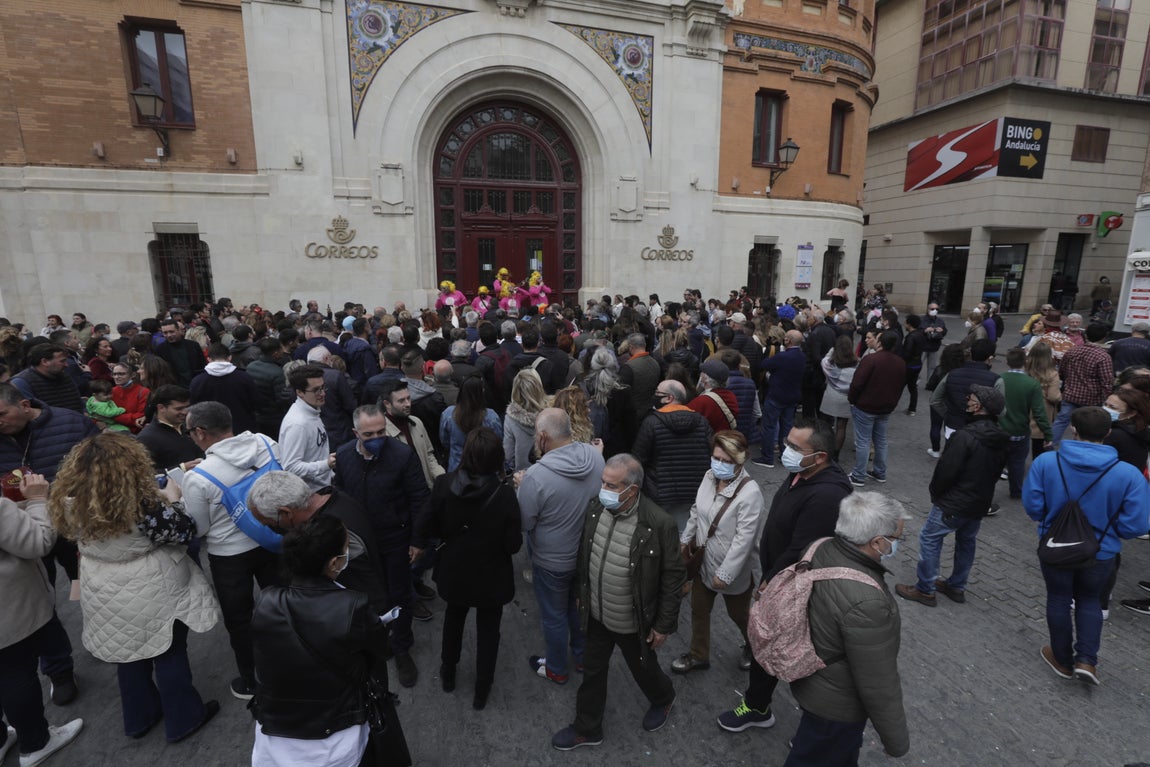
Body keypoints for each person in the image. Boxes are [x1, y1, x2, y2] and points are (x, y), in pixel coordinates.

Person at [48, 433, 220, 743]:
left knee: (128, 656)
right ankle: (184, 718)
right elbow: (184, 532)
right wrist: (173, 499)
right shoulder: (142, 505)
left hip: (102, 585)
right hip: (151, 583)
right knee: (168, 650)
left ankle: (140, 717)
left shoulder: (69, 501)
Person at [716, 417, 851, 733]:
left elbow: (802, 549)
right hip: (779, 576)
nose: (785, 450)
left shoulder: (828, 494)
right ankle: (758, 706)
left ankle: (814, 732)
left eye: (793, 446)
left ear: (820, 457)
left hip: (792, 586)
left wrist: (769, 582)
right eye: (787, 442)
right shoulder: (802, 473)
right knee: (767, 646)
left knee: (798, 656)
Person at [550, 454, 684, 751]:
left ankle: (663, 698)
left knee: (642, 668)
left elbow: (673, 577)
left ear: (632, 490)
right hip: (596, 614)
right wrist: (582, 596)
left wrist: (663, 625)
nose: (603, 489)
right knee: (593, 671)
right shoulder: (596, 508)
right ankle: (587, 728)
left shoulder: (658, 524)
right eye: (603, 482)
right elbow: (586, 555)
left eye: (611, 485)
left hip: (631, 621)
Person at [250, 515, 399, 767]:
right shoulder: (353, 605)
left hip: (277, 736)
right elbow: (381, 651)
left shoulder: (266, 600)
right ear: (333, 563)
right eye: (346, 548)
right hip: (337, 734)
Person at [1024, 407, 1150, 684]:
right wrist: (1111, 532)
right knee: (1090, 601)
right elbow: (1138, 525)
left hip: (1055, 546)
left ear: (1073, 430)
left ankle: (1061, 658)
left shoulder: (1047, 463)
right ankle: (1087, 661)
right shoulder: (1128, 474)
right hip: (1101, 552)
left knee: (1058, 599)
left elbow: (1033, 507)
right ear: (1107, 433)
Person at [783, 491, 910, 765]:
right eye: (896, 538)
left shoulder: (821, 547)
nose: (896, 544)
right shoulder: (868, 602)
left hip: (812, 679)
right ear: (877, 542)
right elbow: (878, 682)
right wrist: (895, 741)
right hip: (836, 705)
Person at [181, 401, 284, 701]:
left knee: (240, 619)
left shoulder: (199, 477)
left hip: (229, 556)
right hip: (274, 538)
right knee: (281, 601)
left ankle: (253, 679)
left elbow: (198, 528)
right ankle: (295, 654)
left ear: (200, 432)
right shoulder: (266, 442)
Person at [413, 428, 521, 710]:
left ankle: (448, 673)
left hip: (454, 569)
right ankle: (482, 689)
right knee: (488, 631)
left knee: (453, 619)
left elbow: (426, 524)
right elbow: (513, 545)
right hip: (491, 575)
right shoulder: (505, 495)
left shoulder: (444, 484)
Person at [333, 405, 430, 688]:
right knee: (362, 596)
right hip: (359, 543)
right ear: (355, 433)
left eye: (380, 432)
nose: (376, 438)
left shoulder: (401, 455)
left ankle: (401, 648)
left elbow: (419, 499)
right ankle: (374, 641)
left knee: (399, 594)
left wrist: (418, 540)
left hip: (395, 539)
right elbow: (339, 492)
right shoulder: (345, 456)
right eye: (368, 434)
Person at [896, 385, 1008, 607]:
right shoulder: (1001, 437)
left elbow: (946, 471)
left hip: (954, 502)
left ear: (979, 407)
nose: (967, 401)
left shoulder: (964, 437)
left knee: (930, 538)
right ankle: (957, 585)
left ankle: (925, 589)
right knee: (966, 541)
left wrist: (937, 494)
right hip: (979, 501)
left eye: (971, 399)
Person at [0, 472, 84, 767]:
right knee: (15, 674)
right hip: (9, 609)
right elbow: (38, 542)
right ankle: (36, 742)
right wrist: (37, 499)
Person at [517, 408, 605, 685]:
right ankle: (581, 657)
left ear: (543, 437)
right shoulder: (595, 456)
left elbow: (525, 521)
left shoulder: (536, 475)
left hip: (551, 560)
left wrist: (521, 487)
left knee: (554, 615)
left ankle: (556, 668)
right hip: (587, 553)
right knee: (578, 608)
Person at [674, 431, 765, 675]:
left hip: (733, 571)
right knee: (699, 611)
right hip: (704, 563)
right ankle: (698, 655)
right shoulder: (708, 477)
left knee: (739, 615)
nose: (719, 465)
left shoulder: (750, 493)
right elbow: (697, 511)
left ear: (741, 460)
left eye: (726, 461)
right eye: (716, 458)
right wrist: (684, 542)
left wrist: (725, 573)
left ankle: (754, 647)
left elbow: (744, 540)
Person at [631, 380, 714, 528]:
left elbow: (638, 459)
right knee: (684, 533)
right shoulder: (702, 422)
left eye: (658, 393)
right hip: (693, 492)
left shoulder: (651, 423)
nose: (654, 396)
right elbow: (710, 454)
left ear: (669, 398)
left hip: (659, 493)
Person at [846, 331, 904, 487]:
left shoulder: (871, 360)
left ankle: (859, 475)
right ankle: (880, 472)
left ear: (880, 343)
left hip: (865, 406)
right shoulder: (900, 362)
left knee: (863, 441)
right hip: (886, 407)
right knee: (881, 440)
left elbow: (857, 383)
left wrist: (852, 399)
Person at [999, 348, 1051, 499]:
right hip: (1019, 431)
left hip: (999, 430)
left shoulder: (999, 379)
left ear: (1007, 362)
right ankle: (1016, 491)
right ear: (1025, 362)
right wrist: (1047, 434)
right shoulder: (1032, 384)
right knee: (1017, 463)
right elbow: (1039, 413)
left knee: (995, 461)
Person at [1051, 324, 1114, 444]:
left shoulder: (1072, 351)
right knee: (1088, 426)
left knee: (1061, 420)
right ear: (1104, 338)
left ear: (1086, 335)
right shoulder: (1103, 356)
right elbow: (1106, 382)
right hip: (1092, 399)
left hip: (1070, 394)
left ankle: (1050, 443)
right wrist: (1107, 399)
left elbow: (1062, 372)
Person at [278, 365, 336, 491]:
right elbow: (291, 467)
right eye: (316, 390)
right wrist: (326, 465)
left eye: (323, 387)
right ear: (299, 392)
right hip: (312, 494)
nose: (322, 393)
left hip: (324, 485)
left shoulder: (312, 411)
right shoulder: (298, 424)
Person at [755, 330, 805, 467]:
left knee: (769, 426)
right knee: (787, 426)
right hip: (792, 396)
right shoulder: (802, 356)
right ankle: (785, 455)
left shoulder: (783, 357)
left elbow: (764, 364)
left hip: (777, 395)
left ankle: (767, 457)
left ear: (788, 340)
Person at [439, 376, 502, 472]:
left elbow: (445, 441)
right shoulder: (491, 417)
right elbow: (497, 442)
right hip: (484, 469)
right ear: (481, 393)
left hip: (457, 468)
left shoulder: (448, 414)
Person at [503, 368, 549, 472]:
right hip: (550, 471)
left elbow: (508, 453)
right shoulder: (552, 412)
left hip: (524, 474)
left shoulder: (510, 418)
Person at [819, 335, 857, 461]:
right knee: (841, 426)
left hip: (831, 394)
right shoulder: (857, 363)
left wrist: (831, 350)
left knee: (825, 424)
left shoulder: (830, 364)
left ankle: (825, 448)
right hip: (847, 397)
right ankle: (835, 454)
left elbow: (824, 359)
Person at [1025, 342, 1061, 461]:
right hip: (1043, 410)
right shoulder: (1052, 374)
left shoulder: (1026, 370)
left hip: (1025, 407)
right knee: (1039, 444)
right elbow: (1053, 396)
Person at [110, 362, 149, 433]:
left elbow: (142, 415)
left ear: (132, 375)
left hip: (136, 433)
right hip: (115, 432)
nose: (116, 377)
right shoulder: (111, 391)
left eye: (121, 374)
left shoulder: (143, 392)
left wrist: (114, 417)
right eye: (114, 374)